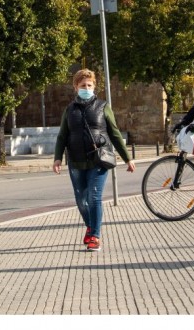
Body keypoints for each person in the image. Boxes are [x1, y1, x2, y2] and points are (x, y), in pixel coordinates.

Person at [53, 68, 135, 252]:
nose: (86, 88)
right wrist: (57, 158)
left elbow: (114, 133)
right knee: (82, 200)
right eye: (83, 85)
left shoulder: (103, 106)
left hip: (99, 160)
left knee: (94, 197)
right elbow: (62, 136)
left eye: (89, 85)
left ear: (94, 86)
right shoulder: (69, 110)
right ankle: (90, 226)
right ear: (75, 87)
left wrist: (127, 158)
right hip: (76, 161)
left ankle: (95, 236)